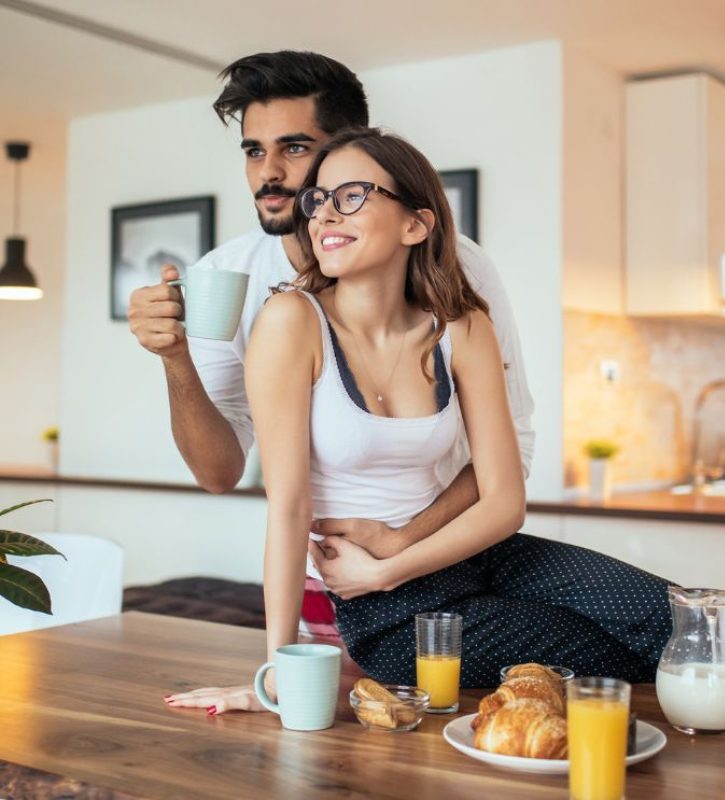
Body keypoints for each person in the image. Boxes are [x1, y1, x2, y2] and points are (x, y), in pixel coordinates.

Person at [165, 129, 672, 715]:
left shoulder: (464, 328)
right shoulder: (291, 323)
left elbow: (504, 499)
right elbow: (287, 509)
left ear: (415, 224)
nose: (324, 212)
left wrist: (393, 559)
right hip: (392, 619)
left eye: (350, 195)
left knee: (673, 620)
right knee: (628, 656)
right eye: (318, 199)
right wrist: (279, 670)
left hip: (467, 552)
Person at [128, 52, 535, 566]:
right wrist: (175, 358)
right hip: (328, 569)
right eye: (253, 151)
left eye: (294, 148)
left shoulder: (461, 266)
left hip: (451, 551)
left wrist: (401, 543)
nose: (268, 173)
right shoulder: (227, 275)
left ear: (347, 152)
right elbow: (218, 473)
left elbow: (511, 445)